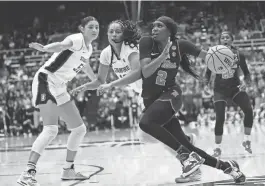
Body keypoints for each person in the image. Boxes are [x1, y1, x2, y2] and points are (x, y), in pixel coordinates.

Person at [97, 16, 246, 184]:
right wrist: (163, 56)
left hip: (170, 94)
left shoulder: (180, 45)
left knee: (145, 124)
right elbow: (145, 71)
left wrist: (228, 61)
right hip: (151, 100)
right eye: (153, 25)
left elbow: (208, 56)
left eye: (159, 26)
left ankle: (185, 157)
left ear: (169, 30)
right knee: (188, 148)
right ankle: (228, 167)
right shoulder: (146, 42)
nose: (154, 28)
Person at [17, 16, 99, 186]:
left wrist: (98, 82)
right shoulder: (76, 39)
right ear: (82, 29)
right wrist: (45, 48)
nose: (95, 30)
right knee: (51, 130)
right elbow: (61, 46)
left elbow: (85, 67)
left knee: (79, 129)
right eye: (91, 26)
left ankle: (68, 170)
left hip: (60, 87)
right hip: (46, 80)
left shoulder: (89, 49)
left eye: (97, 27)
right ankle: (27, 173)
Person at [205, 31, 254, 157]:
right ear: (220, 41)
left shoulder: (238, 54)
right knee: (220, 118)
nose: (225, 39)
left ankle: (246, 140)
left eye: (227, 37)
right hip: (219, 89)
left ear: (232, 40)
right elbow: (208, 73)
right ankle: (217, 148)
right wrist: (205, 82)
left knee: (248, 110)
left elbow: (247, 73)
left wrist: (246, 83)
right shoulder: (214, 54)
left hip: (235, 87)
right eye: (222, 37)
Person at [71, 19, 142, 96]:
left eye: (118, 32)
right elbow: (100, 81)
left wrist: (111, 85)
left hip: (153, 86)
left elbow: (137, 73)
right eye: (111, 32)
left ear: (124, 34)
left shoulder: (130, 48)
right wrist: (84, 87)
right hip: (141, 92)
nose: (114, 34)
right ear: (107, 34)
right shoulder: (106, 53)